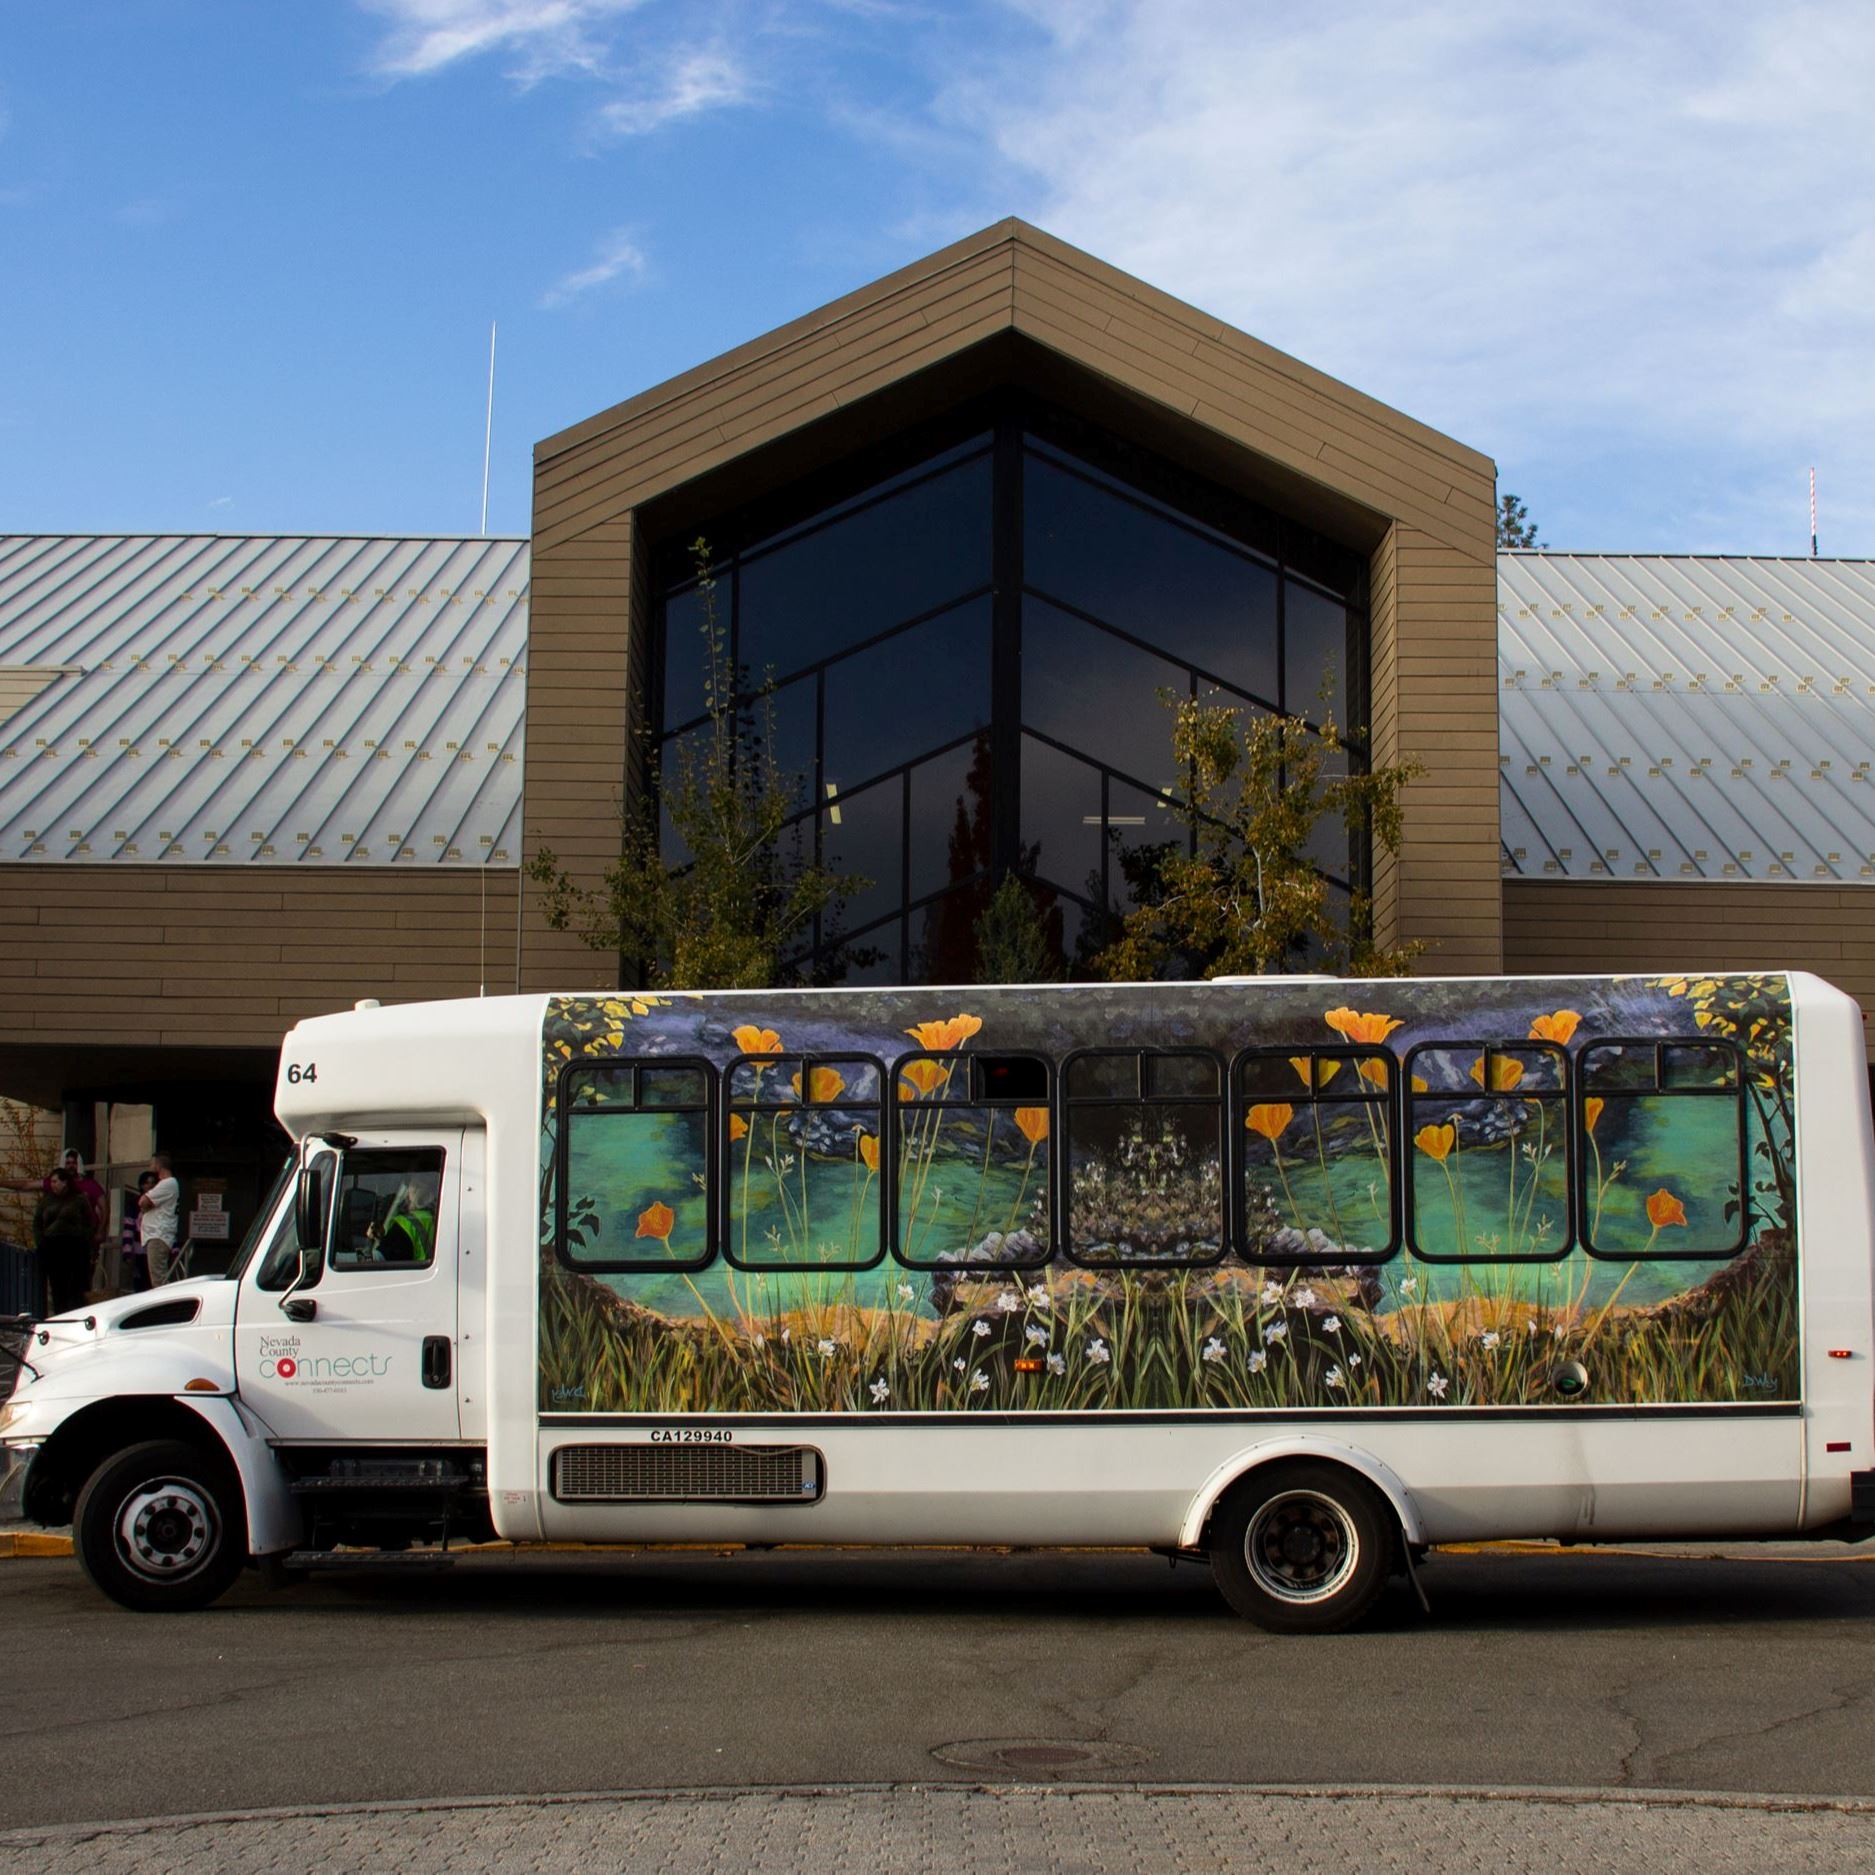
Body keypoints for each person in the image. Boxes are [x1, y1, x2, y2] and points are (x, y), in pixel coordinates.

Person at [33, 1166, 93, 1317]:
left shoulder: (79, 1199)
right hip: (52, 1247)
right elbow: (38, 1222)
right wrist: (41, 1242)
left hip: (74, 1247)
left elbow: (88, 1221)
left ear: (64, 1182)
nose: (52, 1185)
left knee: (76, 1287)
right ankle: (60, 1315)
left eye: (55, 1181)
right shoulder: (47, 1200)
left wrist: (86, 1241)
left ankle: (76, 1315)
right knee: (57, 1286)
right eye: (51, 1182)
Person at [138, 1153, 181, 1286]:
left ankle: (166, 1304)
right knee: (157, 1276)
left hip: (159, 1235)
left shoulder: (168, 1183)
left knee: (158, 1279)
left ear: (158, 1165)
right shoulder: (166, 1184)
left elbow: (143, 1201)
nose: (150, 1166)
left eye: (152, 1163)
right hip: (157, 1235)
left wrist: (146, 1206)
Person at [119, 1170, 156, 1293]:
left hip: (154, 1248)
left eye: (153, 1183)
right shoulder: (134, 1204)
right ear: (141, 1185)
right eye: (146, 1183)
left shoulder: (160, 1204)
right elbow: (128, 1228)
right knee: (139, 1282)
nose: (149, 1186)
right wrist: (127, 1251)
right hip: (139, 1249)